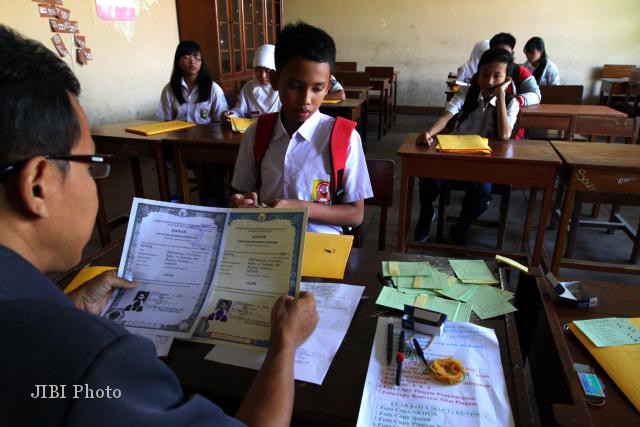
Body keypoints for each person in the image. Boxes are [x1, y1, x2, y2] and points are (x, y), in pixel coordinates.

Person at [0, 25, 318, 427]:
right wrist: (285, 344)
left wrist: (68, 308)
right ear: (38, 185)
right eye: (92, 164)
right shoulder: (94, 361)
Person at [229, 21, 373, 235]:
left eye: (317, 88)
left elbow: (355, 214)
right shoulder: (257, 133)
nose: (306, 100)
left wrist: (299, 207)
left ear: (328, 86)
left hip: (322, 243)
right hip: (267, 238)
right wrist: (241, 201)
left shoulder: (344, 137)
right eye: (295, 86)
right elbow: (241, 192)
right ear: (276, 81)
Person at [414, 48, 519, 244]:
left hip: (486, 163)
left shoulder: (511, 103)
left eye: (497, 76)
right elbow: (446, 117)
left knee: (481, 193)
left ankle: (462, 226)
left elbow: (505, 135)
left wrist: (501, 97)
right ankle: (426, 215)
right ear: (477, 73)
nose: (489, 81)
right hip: (455, 154)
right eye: (484, 74)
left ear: (507, 80)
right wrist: (429, 133)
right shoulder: (467, 92)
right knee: (429, 178)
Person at [158, 40, 228, 124]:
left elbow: (221, 120)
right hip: (177, 135)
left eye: (196, 57)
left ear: (202, 61)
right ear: (178, 62)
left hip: (206, 135)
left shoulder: (213, 89)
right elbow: (167, 121)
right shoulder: (169, 89)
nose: (192, 61)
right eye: (186, 57)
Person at [222, 44, 281, 121]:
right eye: (258, 70)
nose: (263, 76)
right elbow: (240, 112)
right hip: (255, 131)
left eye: (268, 71)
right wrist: (230, 115)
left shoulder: (283, 89)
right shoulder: (248, 88)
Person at [488, 32, 541, 107]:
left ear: (512, 54)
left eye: (506, 53)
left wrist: (514, 101)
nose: (502, 57)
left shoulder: (521, 71)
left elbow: (536, 95)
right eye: (497, 53)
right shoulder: (483, 72)